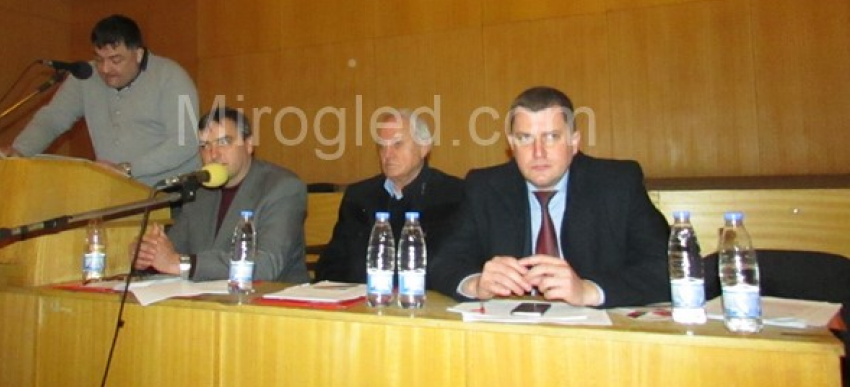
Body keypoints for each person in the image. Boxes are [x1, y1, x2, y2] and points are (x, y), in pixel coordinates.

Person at [429, 86, 670, 308]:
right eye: (525, 138)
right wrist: (476, 284)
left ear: (574, 142)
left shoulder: (617, 184)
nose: (538, 152)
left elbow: (667, 268)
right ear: (511, 144)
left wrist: (588, 291)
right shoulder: (485, 187)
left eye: (552, 137)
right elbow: (441, 263)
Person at [0, 14, 200, 187]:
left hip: (174, 196)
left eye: (116, 60)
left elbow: (186, 141)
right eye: (99, 59)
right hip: (115, 192)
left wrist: (127, 169)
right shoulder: (86, 77)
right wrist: (20, 150)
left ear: (139, 54)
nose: (105, 69)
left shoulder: (172, 76)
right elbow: (52, 119)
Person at [132, 107, 309, 283]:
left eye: (223, 142)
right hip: (207, 297)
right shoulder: (200, 192)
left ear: (248, 144)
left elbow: (266, 265)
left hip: (270, 297)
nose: (213, 154)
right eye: (205, 146)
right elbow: (172, 254)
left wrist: (182, 264)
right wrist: (147, 257)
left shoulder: (283, 188)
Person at [315, 109, 464, 284]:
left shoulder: (453, 195)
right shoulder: (359, 197)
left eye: (397, 144)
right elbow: (330, 265)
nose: (387, 155)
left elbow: (454, 266)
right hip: (364, 297)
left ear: (424, 147)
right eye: (382, 146)